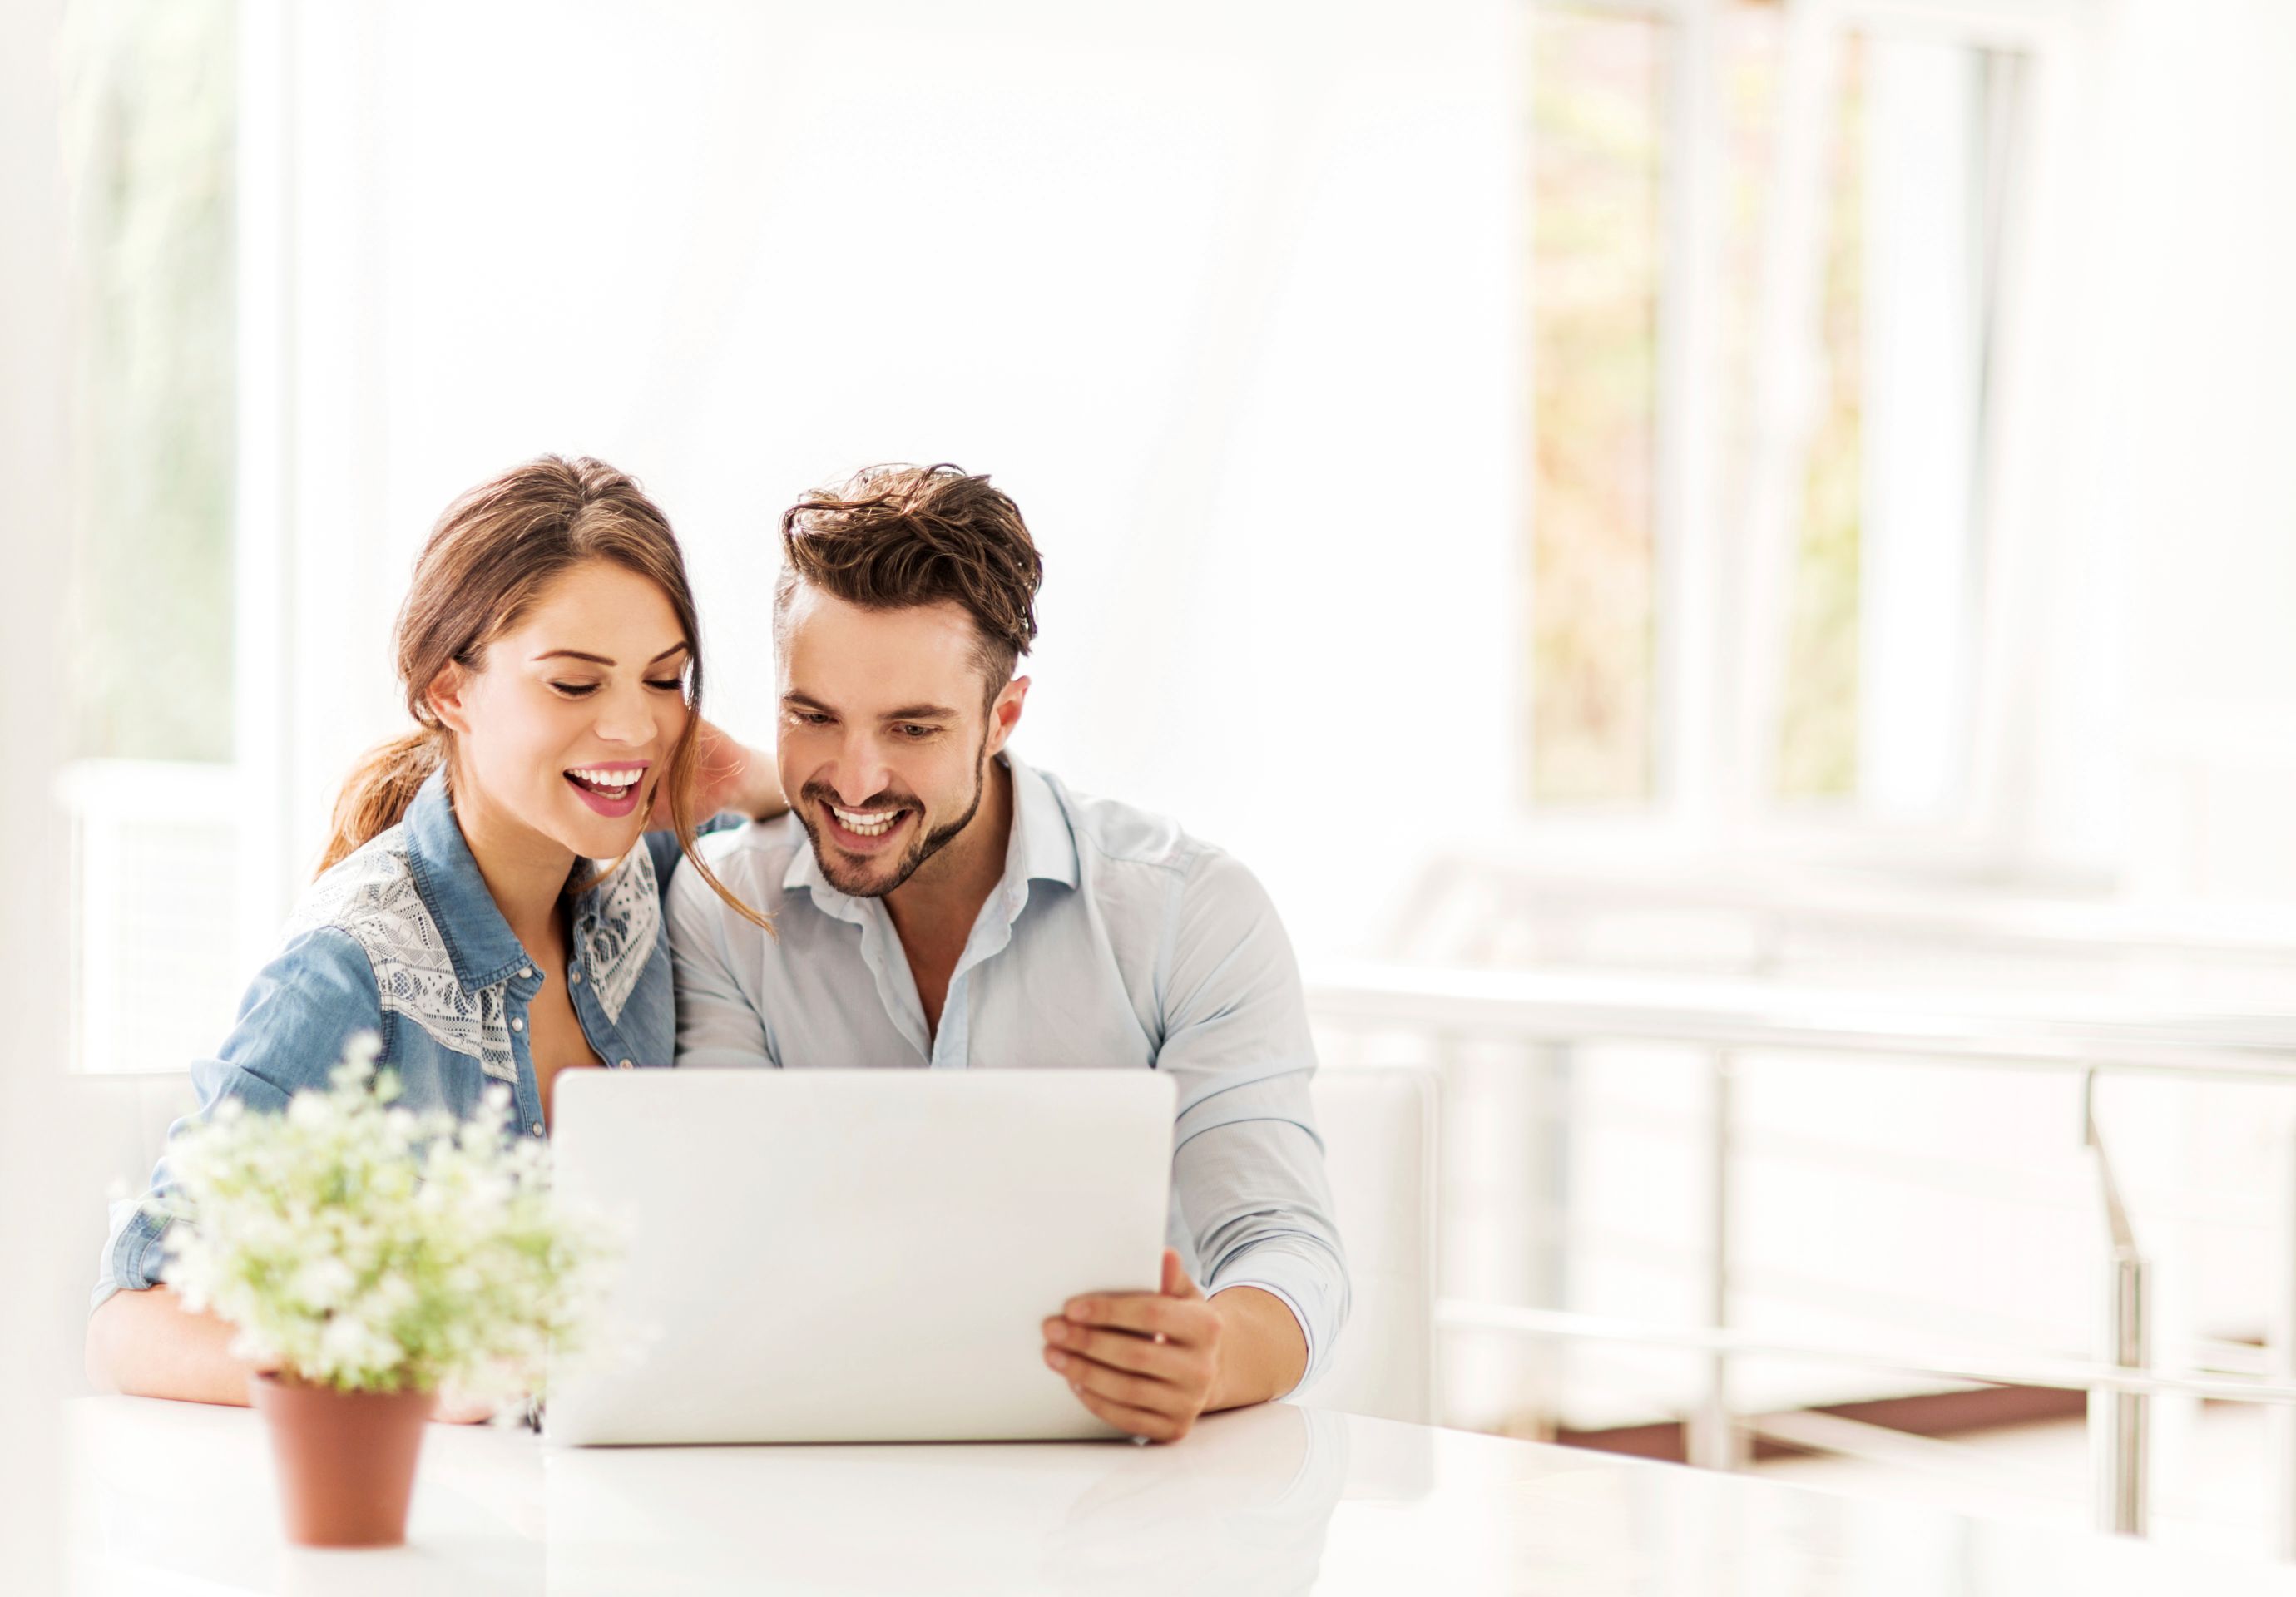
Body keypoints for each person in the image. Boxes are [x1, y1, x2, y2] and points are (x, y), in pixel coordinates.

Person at [666, 463, 1349, 1442]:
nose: (855, 780)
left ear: (1004, 718)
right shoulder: (726, 907)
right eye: (813, 717)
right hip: (823, 1463)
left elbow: (1285, 1248)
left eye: (912, 728)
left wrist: (1213, 1356)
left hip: (1113, 1498)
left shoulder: (1188, 913)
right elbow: (725, 1231)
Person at [84, 455, 781, 1411]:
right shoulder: (351, 967)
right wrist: (430, 1367)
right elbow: (136, 1320)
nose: (634, 726)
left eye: (663, 681)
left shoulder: (648, 885)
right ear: (450, 691)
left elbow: (844, 829)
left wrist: (754, 779)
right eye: (575, 685)